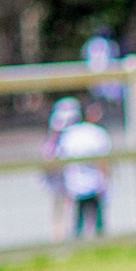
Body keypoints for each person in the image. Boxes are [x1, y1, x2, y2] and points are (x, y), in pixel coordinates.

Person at [55, 101, 111, 238]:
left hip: (77, 184)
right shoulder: (97, 133)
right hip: (91, 183)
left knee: (80, 220)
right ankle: (99, 244)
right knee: (94, 220)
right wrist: (105, 181)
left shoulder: (69, 134)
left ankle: (81, 244)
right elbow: (103, 161)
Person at [41, 96, 81, 241]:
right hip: (57, 183)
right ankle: (59, 241)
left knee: (72, 212)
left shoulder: (75, 137)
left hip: (73, 182)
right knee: (58, 213)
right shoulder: (51, 142)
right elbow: (46, 161)